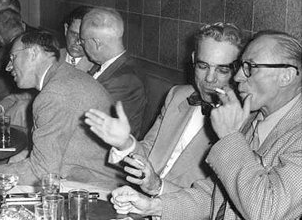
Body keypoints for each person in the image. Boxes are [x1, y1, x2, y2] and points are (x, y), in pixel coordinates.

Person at [110, 30, 302, 220]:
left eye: (250, 67)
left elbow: (266, 211)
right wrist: (153, 207)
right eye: (241, 66)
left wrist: (229, 137)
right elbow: (215, 197)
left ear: (286, 76)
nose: (237, 77)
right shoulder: (253, 120)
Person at [85, 22, 244, 196]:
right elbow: (148, 153)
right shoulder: (178, 95)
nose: (210, 78)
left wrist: (157, 186)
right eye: (203, 66)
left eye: (222, 70)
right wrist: (125, 143)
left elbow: (212, 201)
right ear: (193, 60)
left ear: (237, 71)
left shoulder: (241, 122)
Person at [0, 31, 122, 192]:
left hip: (94, 189)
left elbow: (41, 173)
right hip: (93, 176)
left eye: (12, 58)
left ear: (33, 53)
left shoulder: (54, 93)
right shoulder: (64, 76)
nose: (8, 67)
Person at [80, 7, 147, 138]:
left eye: (83, 41)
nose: (81, 45)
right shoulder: (106, 66)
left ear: (97, 43)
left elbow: (91, 126)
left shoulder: (126, 80)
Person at [59, 6, 94, 72]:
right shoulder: (52, 58)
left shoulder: (97, 67)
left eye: (83, 37)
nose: (77, 42)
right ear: (66, 29)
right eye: (74, 34)